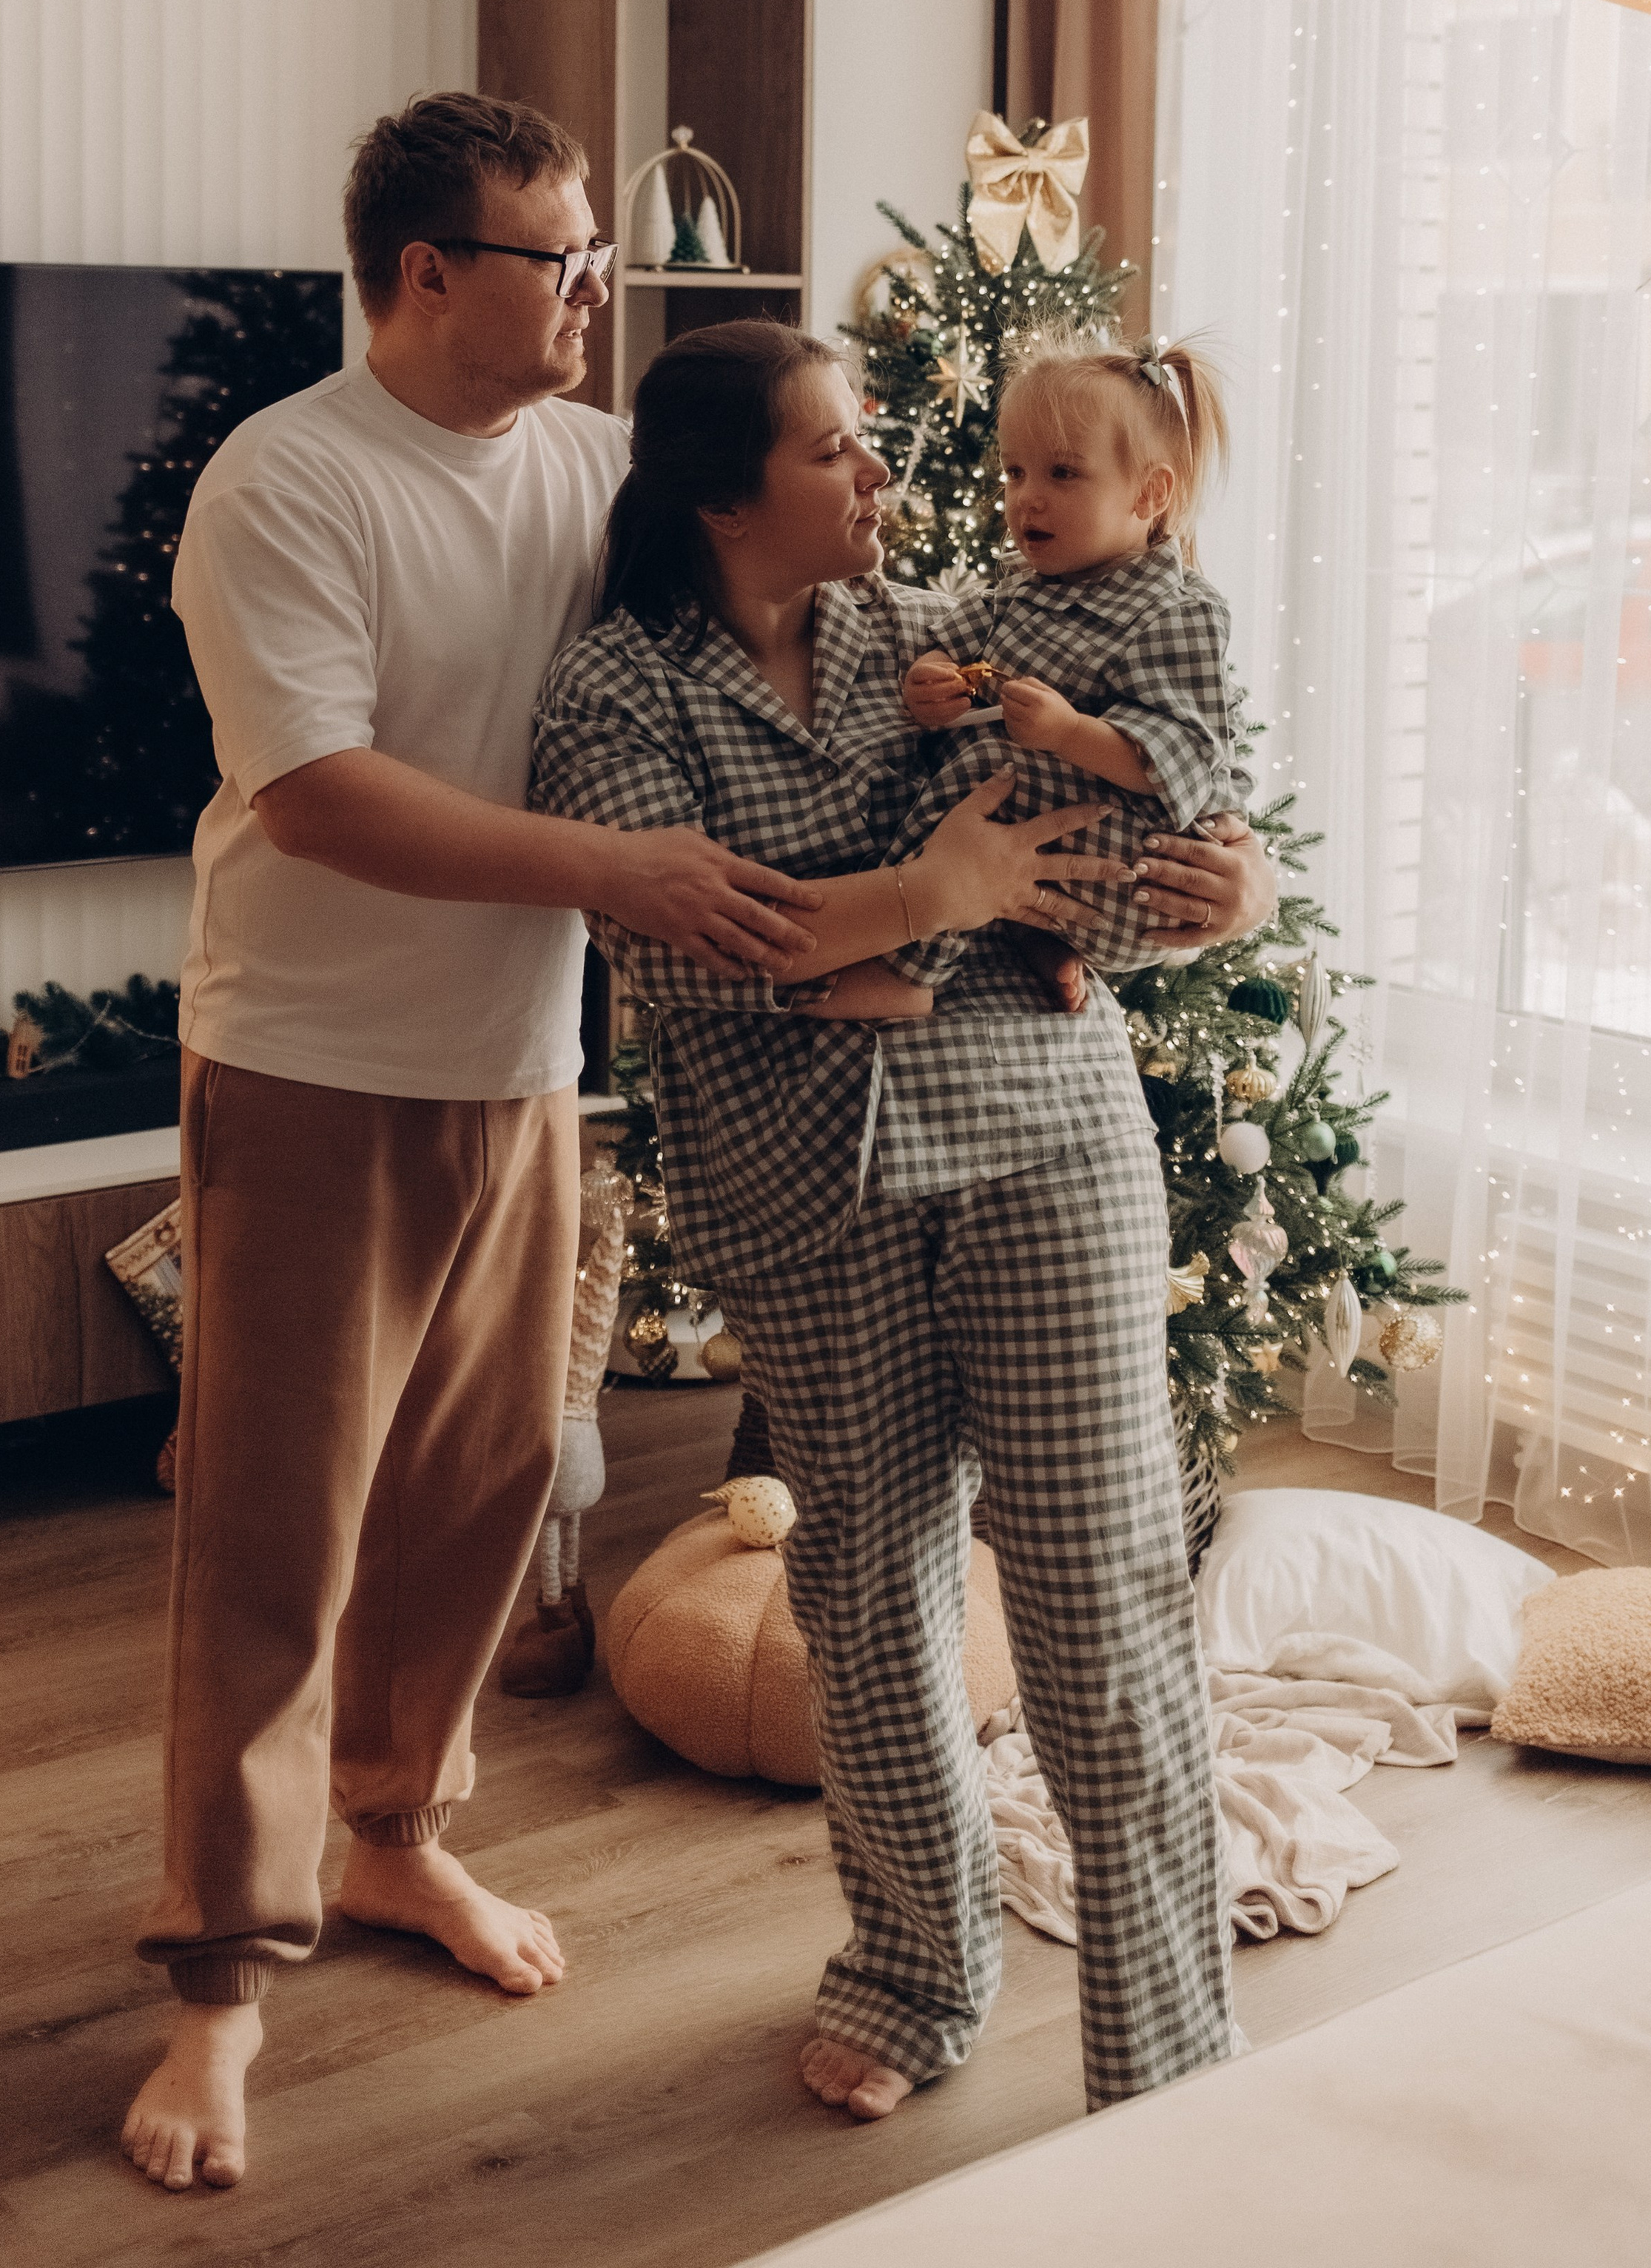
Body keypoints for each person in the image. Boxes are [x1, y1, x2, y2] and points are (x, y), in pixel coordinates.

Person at [121, 92, 841, 2196]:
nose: (601, 288)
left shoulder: (602, 468)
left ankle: (393, 1846)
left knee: (478, 1496)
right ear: (430, 276)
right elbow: (325, 793)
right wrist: (622, 871)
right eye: (566, 258)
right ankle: (217, 1988)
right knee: (279, 1543)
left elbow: (767, 616)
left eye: (603, 250)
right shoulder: (287, 482)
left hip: (523, 1070)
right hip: (316, 1064)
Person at [530, 320, 1276, 2124]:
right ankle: (914, 1959)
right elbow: (678, 950)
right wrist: (935, 895)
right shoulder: (616, 693)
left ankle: (1169, 2055)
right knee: (863, 1592)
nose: (883, 473)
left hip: (1045, 1143)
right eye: (834, 450)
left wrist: (1219, 879)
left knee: (1101, 1598)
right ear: (721, 495)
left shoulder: (936, 631)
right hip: (803, 1193)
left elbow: (1129, 783)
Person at [897, 328, 1242, 978]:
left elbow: (1187, 761)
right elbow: (949, 644)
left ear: (1149, 495)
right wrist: (931, 678)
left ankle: (908, 965)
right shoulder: (1017, 590)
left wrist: (1068, 732)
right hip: (1031, 863)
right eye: (1014, 471)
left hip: (1132, 875)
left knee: (987, 765)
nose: (1027, 496)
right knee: (977, 767)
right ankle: (1036, 939)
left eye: (1063, 473)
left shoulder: (1177, 610)